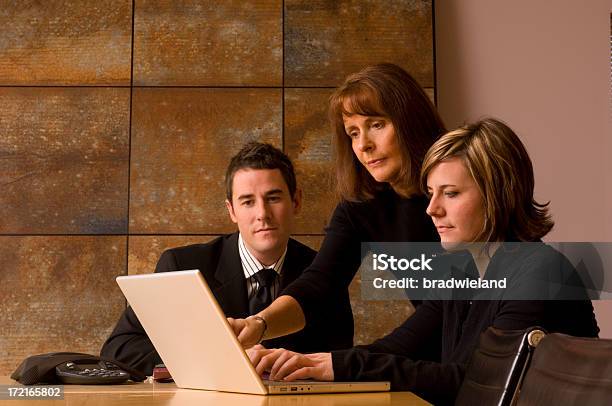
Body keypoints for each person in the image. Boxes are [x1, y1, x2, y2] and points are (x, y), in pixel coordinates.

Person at [247, 118, 599, 405]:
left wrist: (337, 366)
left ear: (497, 195)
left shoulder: (540, 271)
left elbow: (478, 382)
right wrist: (310, 363)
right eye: (431, 193)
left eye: (451, 193)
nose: (432, 209)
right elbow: (399, 347)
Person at [229, 63, 446, 348]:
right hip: (439, 352)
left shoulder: (460, 191)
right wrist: (260, 323)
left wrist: (346, 364)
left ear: (410, 121)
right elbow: (320, 284)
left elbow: (444, 309)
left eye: (376, 125)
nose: (363, 145)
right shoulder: (361, 207)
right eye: (353, 133)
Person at [100, 142, 353, 375]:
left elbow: (338, 355)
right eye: (247, 202)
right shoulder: (182, 266)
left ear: (296, 201)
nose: (262, 214)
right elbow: (120, 349)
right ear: (231, 210)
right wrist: (223, 357)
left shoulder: (326, 271)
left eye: (273, 198)